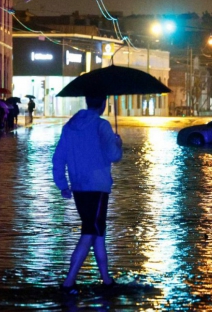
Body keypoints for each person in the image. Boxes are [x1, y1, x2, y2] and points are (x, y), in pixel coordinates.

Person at [52, 95, 123, 295]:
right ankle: (69, 282)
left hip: (79, 187)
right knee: (90, 232)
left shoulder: (70, 127)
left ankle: (107, 280)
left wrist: (62, 184)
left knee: (98, 232)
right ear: (103, 104)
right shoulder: (102, 126)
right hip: (98, 187)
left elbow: (58, 158)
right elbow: (114, 156)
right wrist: (118, 143)